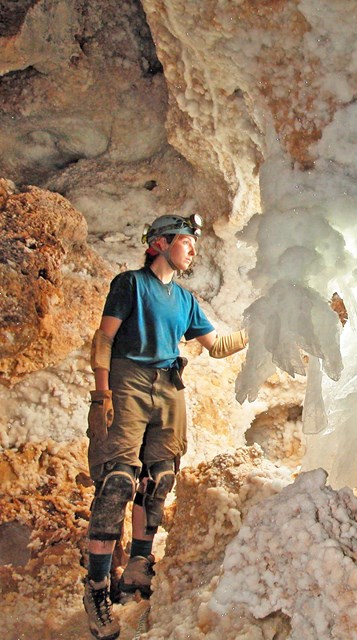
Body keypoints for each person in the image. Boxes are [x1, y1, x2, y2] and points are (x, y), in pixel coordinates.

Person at [83, 213, 247, 640]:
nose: (193, 248)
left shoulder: (186, 300)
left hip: (169, 387)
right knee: (118, 480)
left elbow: (218, 347)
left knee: (160, 478)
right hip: (129, 379)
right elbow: (103, 339)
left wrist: (262, 328)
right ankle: (97, 589)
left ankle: (137, 567)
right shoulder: (130, 284)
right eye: (187, 240)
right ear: (159, 243)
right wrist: (102, 396)